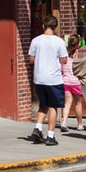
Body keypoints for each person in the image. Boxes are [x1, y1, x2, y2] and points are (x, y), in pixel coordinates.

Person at [28, 15, 68, 146]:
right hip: (53, 79)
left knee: (43, 105)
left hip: (39, 78)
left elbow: (31, 59)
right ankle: (51, 135)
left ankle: (38, 128)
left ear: (43, 26)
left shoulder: (36, 41)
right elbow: (64, 60)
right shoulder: (59, 42)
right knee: (53, 107)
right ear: (55, 27)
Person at [59, 34, 85, 132]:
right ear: (78, 44)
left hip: (65, 81)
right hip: (76, 81)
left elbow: (61, 67)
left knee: (67, 103)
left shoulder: (64, 54)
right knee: (78, 103)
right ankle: (80, 124)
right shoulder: (79, 54)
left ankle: (64, 122)